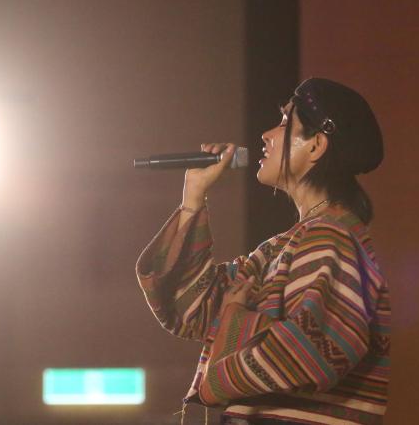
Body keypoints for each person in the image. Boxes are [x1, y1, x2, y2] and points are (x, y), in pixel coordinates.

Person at [135, 78, 390, 425]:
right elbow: (189, 307)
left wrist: (235, 317)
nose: (267, 134)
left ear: (316, 146)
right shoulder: (283, 247)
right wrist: (194, 197)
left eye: (285, 123)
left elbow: (310, 351)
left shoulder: (332, 239)